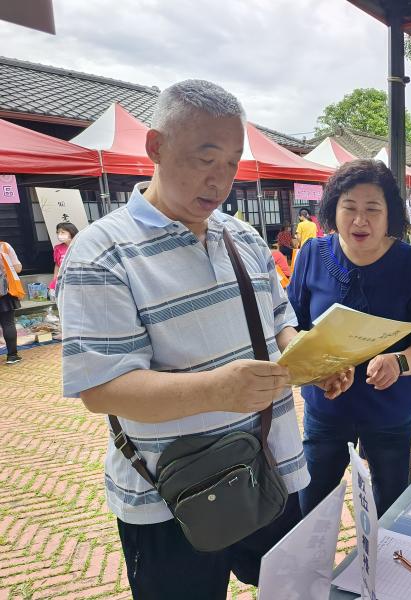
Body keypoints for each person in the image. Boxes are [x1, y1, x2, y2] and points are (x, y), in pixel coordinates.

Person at [57, 80, 352, 600]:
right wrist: (216, 390)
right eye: (205, 158)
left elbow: (279, 319)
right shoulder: (101, 253)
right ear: (155, 148)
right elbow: (101, 389)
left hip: (271, 465)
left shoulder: (241, 237)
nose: (220, 181)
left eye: (233, 163)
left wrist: (312, 356)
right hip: (173, 493)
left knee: (295, 591)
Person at [288, 159, 411, 518]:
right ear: (332, 209)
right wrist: (314, 366)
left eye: (373, 209)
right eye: (350, 208)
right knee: (311, 506)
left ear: (390, 213)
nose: (360, 220)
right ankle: (312, 574)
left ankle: (386, 572)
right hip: (326, 409)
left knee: (391, 507)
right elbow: (291, 327)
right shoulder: (312, 255)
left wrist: (399, 362)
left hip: (390, 412)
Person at [0, 240, 24, 365]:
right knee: (8, 323)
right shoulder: (4, 246)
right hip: (5, 292)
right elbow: (18, 268)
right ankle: (12, 356)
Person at [50, 222, 78, 297]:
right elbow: (57, 265)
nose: (59, 235)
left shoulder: (79, 245)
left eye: (63, 232)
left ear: (71, 232)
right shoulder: (57, 248)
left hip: (78, 279)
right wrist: (55, 280)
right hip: (63, 280)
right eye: (58, 232)